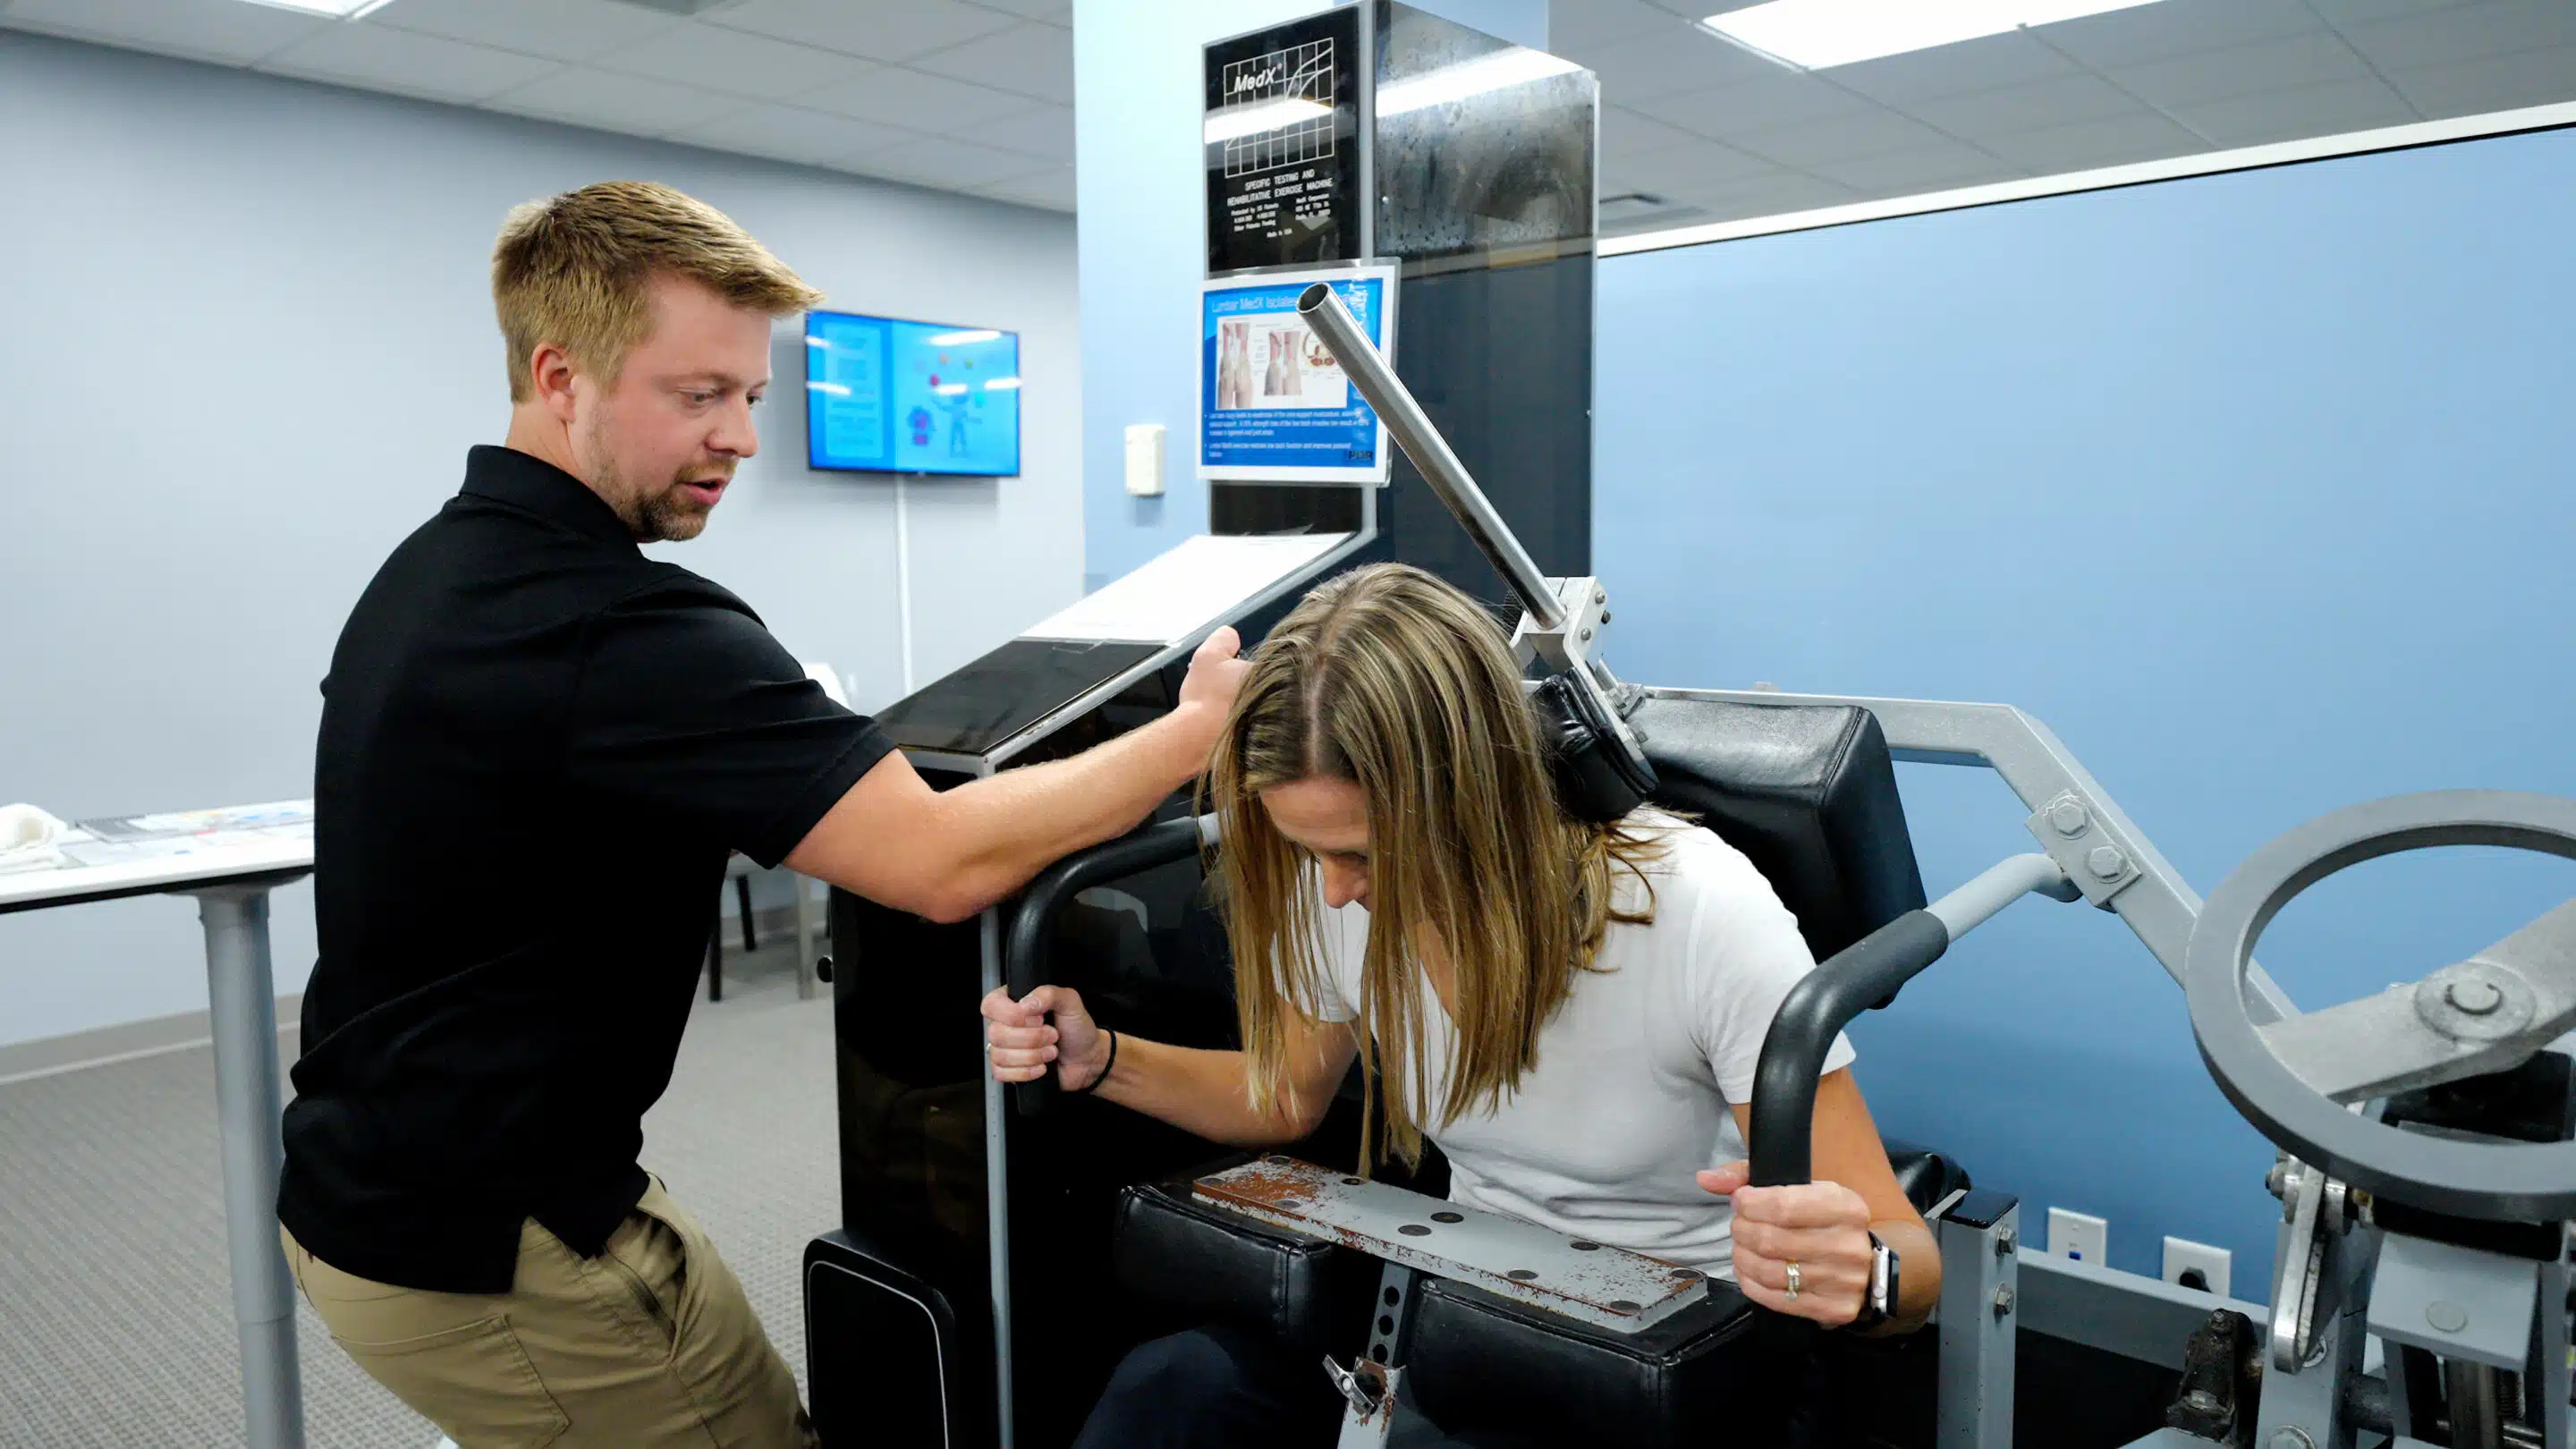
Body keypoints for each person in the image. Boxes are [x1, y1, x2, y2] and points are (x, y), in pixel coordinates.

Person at [278, 182, 1246, 1449]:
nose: (739, 436)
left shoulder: (434, 572)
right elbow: (940, 861)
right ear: (560, 377)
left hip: (384, 1185)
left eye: (753, 397)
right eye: (698, 396)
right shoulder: (624, 631)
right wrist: (1197, 732)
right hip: (490, 1243)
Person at [982, 563, 1939, 1448]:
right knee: (1173, 1390)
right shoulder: (1344, 894)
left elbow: (1909, 1263)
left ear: (1472, 801)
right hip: (1472, 1320)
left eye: (1359, 853)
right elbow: (1285, 1101)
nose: (1332, 893)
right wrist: (1101, 1056)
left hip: (1682, 1355)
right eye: (1312, 852)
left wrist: (1861, 1274)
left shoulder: (1696, 911)